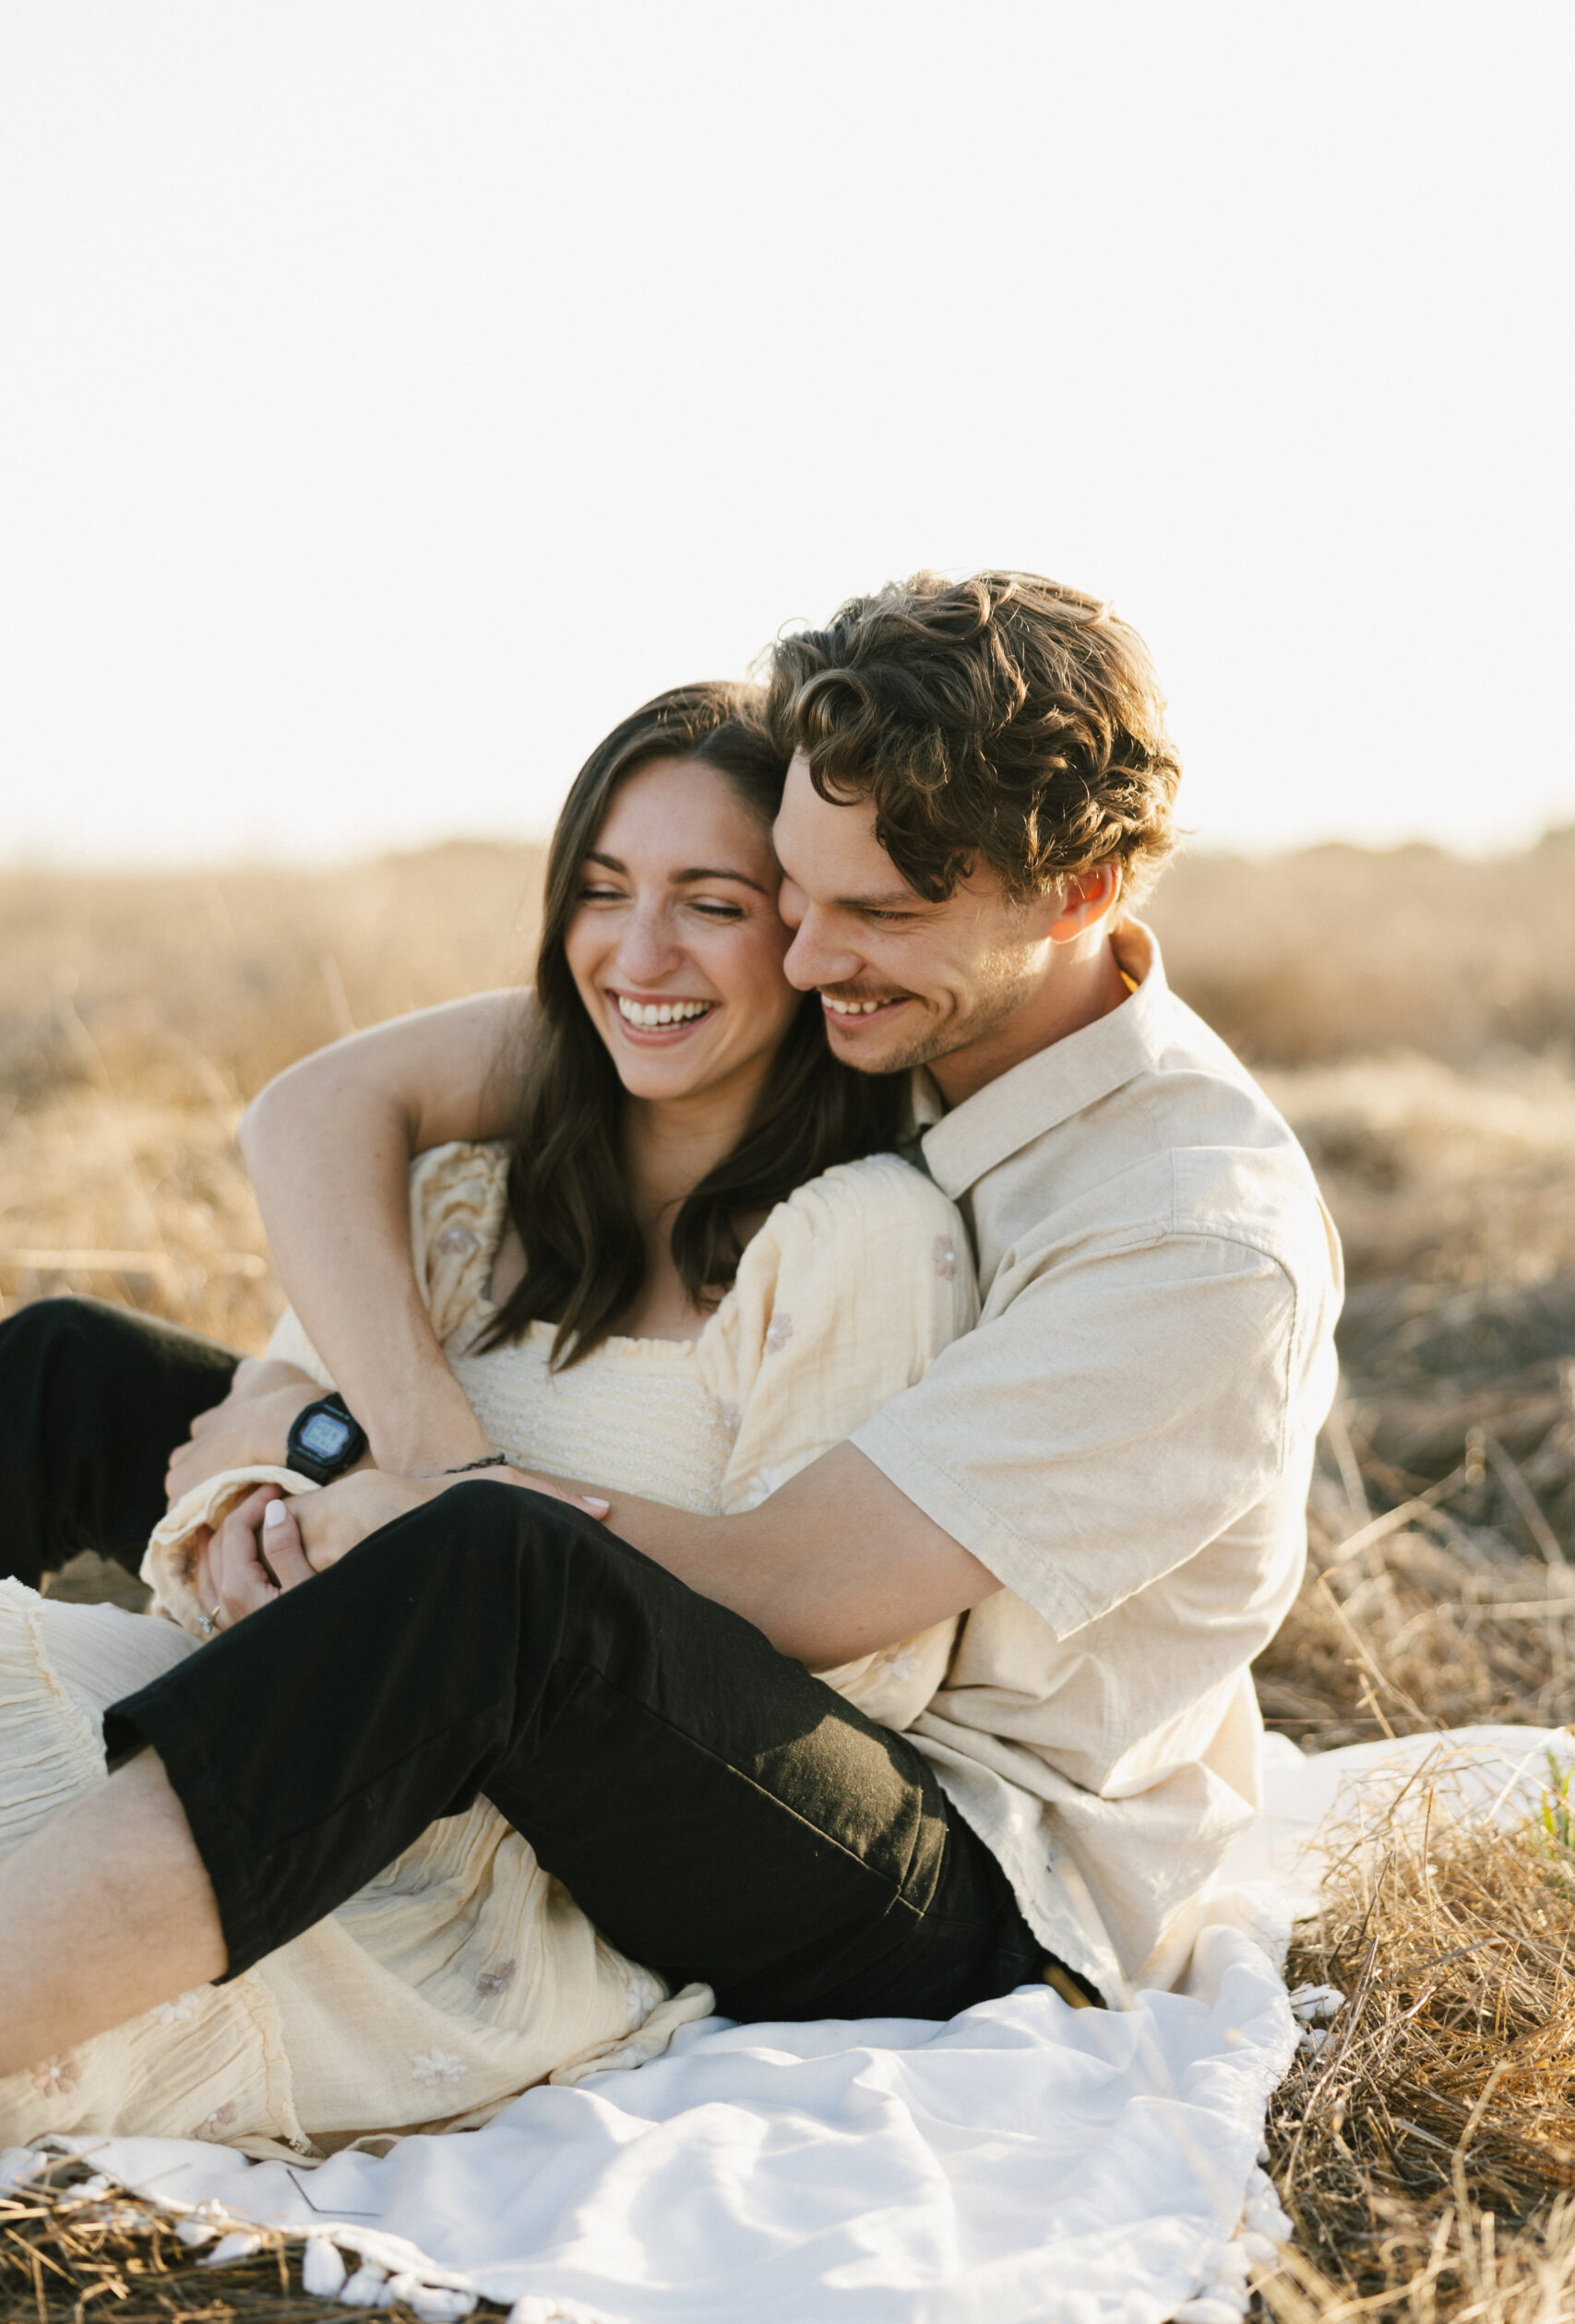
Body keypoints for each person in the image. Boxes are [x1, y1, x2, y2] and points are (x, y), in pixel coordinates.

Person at [0, 569, 1342, 2090]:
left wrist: (407, 1504)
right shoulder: (891, 998)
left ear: (1083, 893)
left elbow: (802, 1588)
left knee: (491, 1579)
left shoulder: (1188, 1237)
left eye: (874, 915)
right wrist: (319, 1429)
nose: (809, 956)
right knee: (64, 1373)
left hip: (958, 1875)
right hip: (730, 1685)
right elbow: (327, 1109)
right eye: (789, 893)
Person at [0, 681, 988, 2148]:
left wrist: (411, 1540)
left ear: (803, 935)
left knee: (482, 1556)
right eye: (601, 889)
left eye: (710, 904)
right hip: (385, 1699)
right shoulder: (480, 1191)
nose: (636, 952)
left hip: (658, 1831)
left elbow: (863, 1680)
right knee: (63, 1358)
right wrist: (259, 1531)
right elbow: (279, 1423)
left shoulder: (858, 1244)